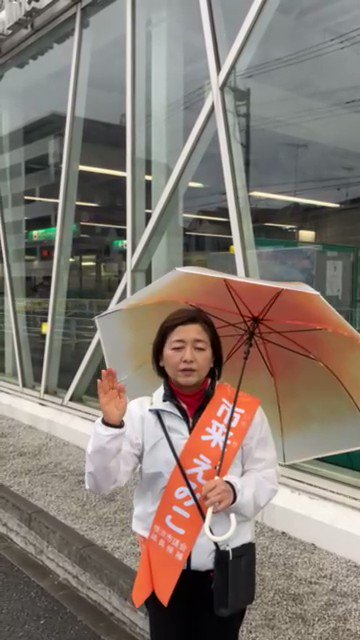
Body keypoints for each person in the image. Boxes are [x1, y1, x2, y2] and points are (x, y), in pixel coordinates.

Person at [86, 307, 278, 640]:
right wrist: (110, 425)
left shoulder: (243, 413)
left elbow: (265, 476)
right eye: (177, 347)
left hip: (225, 563)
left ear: (214, 357)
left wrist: (234, 491)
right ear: (160, 357)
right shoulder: (142, 413)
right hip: (164, 561)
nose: (188, 356)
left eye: (200, 347)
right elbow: (101, 482)